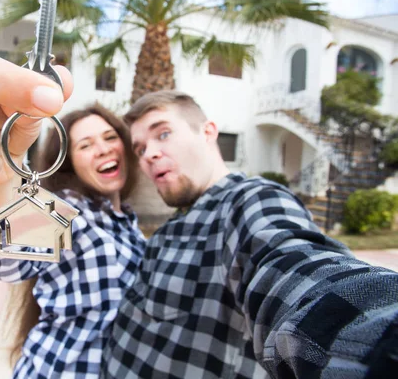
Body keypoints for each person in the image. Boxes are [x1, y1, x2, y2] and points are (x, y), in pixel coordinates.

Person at [100, 90, 398, 379]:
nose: (149, 154)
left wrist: (376, 338)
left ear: (207, 132)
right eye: (139, 149)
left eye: (163, 134)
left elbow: (290, 266)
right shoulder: (172, 226)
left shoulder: (251, 200)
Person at [0, 41, 145, 378]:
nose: (102, 149)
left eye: (110, 137)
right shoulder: (69, 208)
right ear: (68, 161)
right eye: (85, 144)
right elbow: (4, 259)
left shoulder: (129, 223)